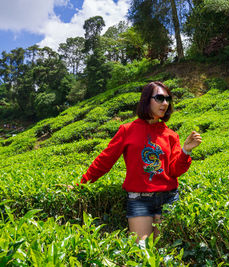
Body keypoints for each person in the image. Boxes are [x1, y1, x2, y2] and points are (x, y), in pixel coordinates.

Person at [78, 81, 202, 245]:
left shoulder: (171, 135)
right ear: (146, 100)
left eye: (167, 99)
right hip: (139, 200)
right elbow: (105, 160)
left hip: (168, 198)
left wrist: (186, 151)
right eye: (159, 98)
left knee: (164, 250)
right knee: (141, 249)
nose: (164, 103)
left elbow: (173, 170)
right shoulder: (127, 130)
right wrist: (82, 183)